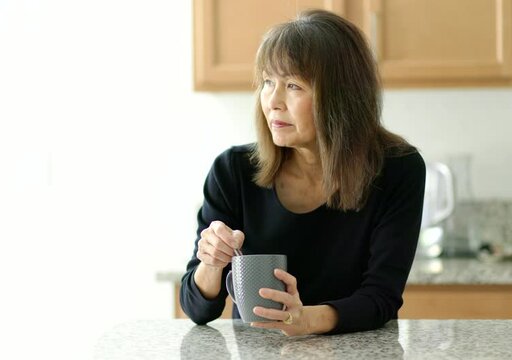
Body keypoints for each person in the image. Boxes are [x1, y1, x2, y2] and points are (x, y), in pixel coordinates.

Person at [179, 9, 425, 336]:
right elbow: (197, 308)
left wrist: (305, 320)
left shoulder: (397, 169)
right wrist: (211, 263)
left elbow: (381, 298)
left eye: (294, 85)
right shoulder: (233, 170)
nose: (273, 102)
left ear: (342, 96)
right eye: (268, 82)